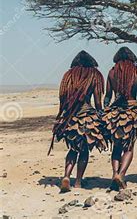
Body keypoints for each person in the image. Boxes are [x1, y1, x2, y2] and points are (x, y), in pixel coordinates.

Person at [49, 51, 107, 193]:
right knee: (84, 150)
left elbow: (62, 98)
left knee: (73, 148)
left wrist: (63, 116)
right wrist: (101, 115)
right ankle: (79, 182)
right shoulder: (94, 75)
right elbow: (98, 101)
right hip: (87, 116)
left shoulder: (68, 75)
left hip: (70, 118)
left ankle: (67, 176)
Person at [102, 47, 137, 190]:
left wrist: (105, 110)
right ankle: (121, 174)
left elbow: (108, 96)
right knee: (128, 147)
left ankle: (115, 173)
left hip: (115, 114)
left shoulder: (111, 73)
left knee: (116, 147)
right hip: (132, 114)